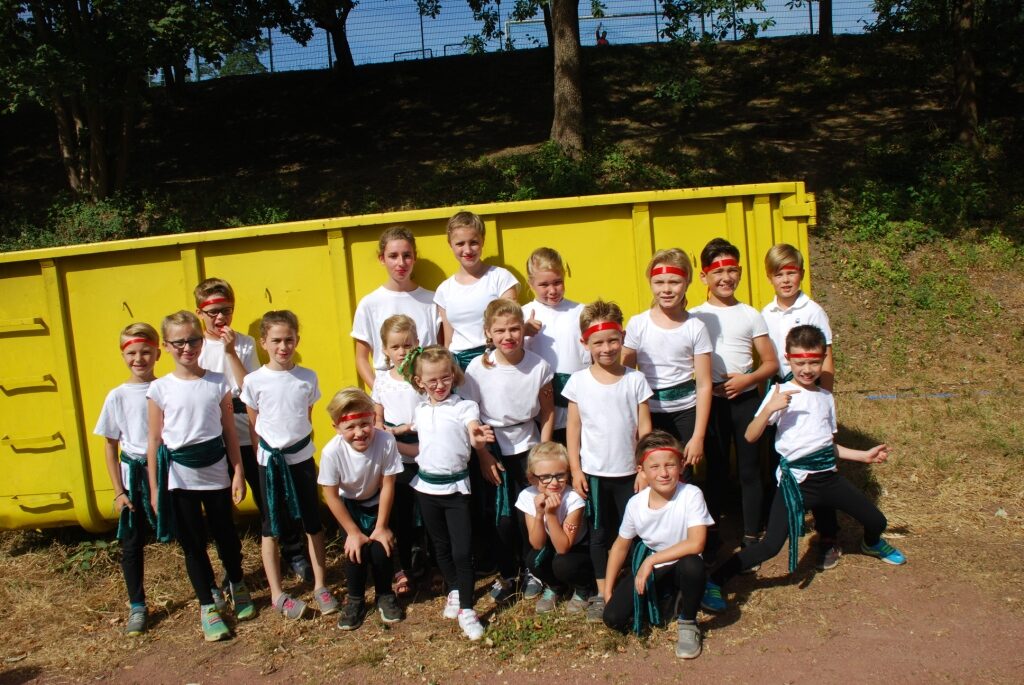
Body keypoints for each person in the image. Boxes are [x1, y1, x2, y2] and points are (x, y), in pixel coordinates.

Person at [701, 325, 906, 613]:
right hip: (795, 485)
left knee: (877, 521)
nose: (807, 369)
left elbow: (827, 446)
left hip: (829, 480)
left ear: (822, 360)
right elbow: (750, 435)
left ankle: (871, 543)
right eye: (800, 362)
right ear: (788, 359)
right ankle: (714, 580)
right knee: (771, 546)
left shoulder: (825, 397)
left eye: (814, 362)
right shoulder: (780, 392)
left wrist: (864, 456)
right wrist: (769, 408)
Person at [194, 277, 311, 583]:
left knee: (270, 495)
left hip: (246, 427)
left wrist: (231, 351)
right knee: (221, 502)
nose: (221, 317)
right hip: (215, 431)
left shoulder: (244, 342)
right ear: (200, 313)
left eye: (227, 310)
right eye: (214, 312)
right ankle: (233, 567)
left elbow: (250, 387)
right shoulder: (196, 346)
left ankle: (293, 552)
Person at [146, 311, 253, 642]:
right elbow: (154, 440)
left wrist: (238, 471)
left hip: (216, 471)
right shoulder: (159, 389)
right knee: (193, 543)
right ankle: (207, 603)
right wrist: (154, 488)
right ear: (166, 346)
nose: (187, 348)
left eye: (193, 340)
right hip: (179, 477)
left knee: (226, 536)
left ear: (201, 341)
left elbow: (229, 432)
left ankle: (236, 582)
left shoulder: (218, 383)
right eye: (178, 342)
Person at [239, 310, 334, 620]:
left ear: (297, 340)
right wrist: (263, 456)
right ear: (264, 342)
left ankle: (320, 584)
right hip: (270, 463)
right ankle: (277, 593)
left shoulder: (307, 377)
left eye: (289, 340)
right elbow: (255, 424)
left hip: (301, 458)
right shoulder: (253, 381)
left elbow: (306, 417)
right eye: (276, 340)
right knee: (271, 526)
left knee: (312, 521)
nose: (283, 346)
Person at [563, 300, 653, 622]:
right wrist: (575, 470)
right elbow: (573, 429)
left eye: (613, 340)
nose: (606, 348)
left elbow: (645, 428)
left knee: (635, 530)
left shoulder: (635, 380)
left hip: (631, 473)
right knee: (599, 534)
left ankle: (637, 585)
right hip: (595, 474)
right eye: (598, 342)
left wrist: (644, 468)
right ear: (585, 343)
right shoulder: (578, 382)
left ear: (622, 337)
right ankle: (603, 592)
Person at [461, 298, 555, 605]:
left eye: (514, 328)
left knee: (529, 512)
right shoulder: (478, 367)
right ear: (488, 333)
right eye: (500, 330)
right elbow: (470, 410)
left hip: (528, 446)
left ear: (523, 330)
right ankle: (508, 573)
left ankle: (534, 571)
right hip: (493, 447)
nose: (508, 336)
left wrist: (544, 451)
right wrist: (483, 454)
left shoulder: (539, 366)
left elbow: (548, 411)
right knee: (501, 517)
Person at [689, 238, 779, 560]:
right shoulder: (694, 316)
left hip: (745, 401)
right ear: (704, 276)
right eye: (718, 271)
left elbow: (770, 363)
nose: (726, 278)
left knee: (749, 469)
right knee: (714, 470)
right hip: (709, 403)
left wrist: (747, 380)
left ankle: (752, 534)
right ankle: (710, 535)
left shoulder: (750, 314)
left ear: (740, 272)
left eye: (732, 270)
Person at [401, 345, 495, 641]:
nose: (440, 385)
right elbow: (420, 442)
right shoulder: (420, 409)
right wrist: (390, 437)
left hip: (456, 491)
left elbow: (473, 432)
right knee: (439, 547)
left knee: (462, 550)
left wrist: (478, 439)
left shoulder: (464, 407)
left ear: (453, 376)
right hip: (426, 489)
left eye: (445, 378)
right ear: (419, 382)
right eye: (432, 380)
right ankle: (454, 589)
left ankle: (467, 609)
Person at [761, 243, 840, 570]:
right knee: (786, 459)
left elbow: (827, 358)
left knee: (819, 463)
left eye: (791, 273)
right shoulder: (766, 313)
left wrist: (824, 397)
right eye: (779, 274)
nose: (786, 280)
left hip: (811, 389)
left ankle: (828, 536)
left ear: (801, 274)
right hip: (783, 392)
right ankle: (787, 519)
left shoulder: (813, 311)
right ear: (770, 277)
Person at [603, 430, 714, 659]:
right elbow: (620, 545)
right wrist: (607, 591)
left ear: (681, 466)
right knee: (613, 618)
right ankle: (671, 599)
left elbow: (696, 543)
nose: (663, 473)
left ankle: (688, 622)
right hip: (654, 568)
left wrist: (650, 561)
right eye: (654, 467)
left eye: (670, 465)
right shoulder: (635, 504)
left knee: (693, 565)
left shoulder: (691, 494)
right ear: (641, 471)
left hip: (680, 564)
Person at [94, 323, 162, 636]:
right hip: (132, 476)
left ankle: (208, 593)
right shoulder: (117, 396)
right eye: (132, 352)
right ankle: (137, 604)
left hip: (164, 472)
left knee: (188, 533)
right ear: (123, 355)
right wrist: (119, 491)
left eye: (145, 351)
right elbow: (110, 445)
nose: (139, 358)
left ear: (157, 353)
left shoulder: (165, 389)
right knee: (132, 544)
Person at [319, 388, 405, 630]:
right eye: (350, 427)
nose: (359, 433)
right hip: (349, 507)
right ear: (337, 427)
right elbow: (330, 496)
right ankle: (355, 599)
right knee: (354, 551)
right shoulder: (331, 452)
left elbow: (388, 484)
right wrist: (353, 532)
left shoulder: (386, 441)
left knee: (381, 548)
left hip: (378, 502)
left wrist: (382, 526)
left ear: (373, 419)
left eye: (365, 424)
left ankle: (384, 594)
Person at [623, 248, 712, 477]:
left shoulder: (696, 327)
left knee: (682, 475)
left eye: (674, 282)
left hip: (685, 413)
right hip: (648, 414)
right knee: (651, 474)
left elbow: (704, 384)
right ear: (650, 283)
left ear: (687, 282)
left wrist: (698, 436)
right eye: (659, 282)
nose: (666, 289)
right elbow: (625, 376)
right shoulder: (638, 324)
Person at [371, 314, 426, 595]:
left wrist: (404, 428)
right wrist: (386, 431)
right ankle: (403, 567)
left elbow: (431, 409)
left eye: (407, 345)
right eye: (395, 347)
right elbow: (377, 417)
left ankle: (429, 566)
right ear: (385, 350)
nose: (402, 351)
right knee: (401, 512)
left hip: (423, 444)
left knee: (426, 513)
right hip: (395, 455)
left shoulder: (422, 377)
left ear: (417, 343)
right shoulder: (382, 380)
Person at [351, 226, 441, 388]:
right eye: (393, 256)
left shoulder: (433, 301)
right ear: (382, 259)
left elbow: (442, 349)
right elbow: (361, 358)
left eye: (406, 255)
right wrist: (380, 392)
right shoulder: (369, 304)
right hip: (388, 388)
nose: (401, 263)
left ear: (414, 257)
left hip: (428, 388)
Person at [434, 211, 519, 370]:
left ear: (482, 241)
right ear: (450, 244)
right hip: (459, 365)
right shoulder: (444, 290)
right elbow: (448, 340)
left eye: (473, 242)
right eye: (460, 244)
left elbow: (512, 324)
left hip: (495, 359)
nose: (467, 250)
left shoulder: (501, 278)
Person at [522, 247, 589, 445]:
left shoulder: (581, 311)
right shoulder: (522, 315)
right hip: (540, 411)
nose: (552, 290)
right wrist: (522, 332)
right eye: (544, 284)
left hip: (578, 405)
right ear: (530, 283)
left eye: (557, 282)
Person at [516, 442, 593, 614]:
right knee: (533, 559)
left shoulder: (573, 499)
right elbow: (537, 544)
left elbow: (563, 548)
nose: (554, 482)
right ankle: (556, 587)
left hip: (576, 550)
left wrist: (550, 515)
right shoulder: (527, 496)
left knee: (563, 563)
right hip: (552, 547)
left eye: (560, 475)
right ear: (532, 478)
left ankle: (583, 588)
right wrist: (539, 513)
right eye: (545, 477)